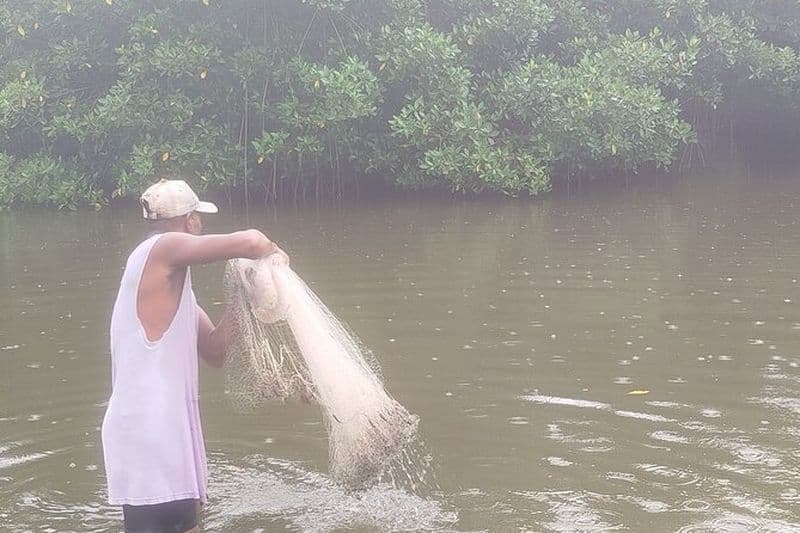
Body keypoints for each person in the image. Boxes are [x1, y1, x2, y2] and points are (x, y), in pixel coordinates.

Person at [101, 178, 285, 532]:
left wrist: (242, 301)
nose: (200, 225)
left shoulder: (172, 284)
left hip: (168, 433)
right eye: (198, 219)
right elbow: (251, 242)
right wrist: (275, 253)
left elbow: (215, 351)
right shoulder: (162, 248)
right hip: (148, 432)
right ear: (190, 221)